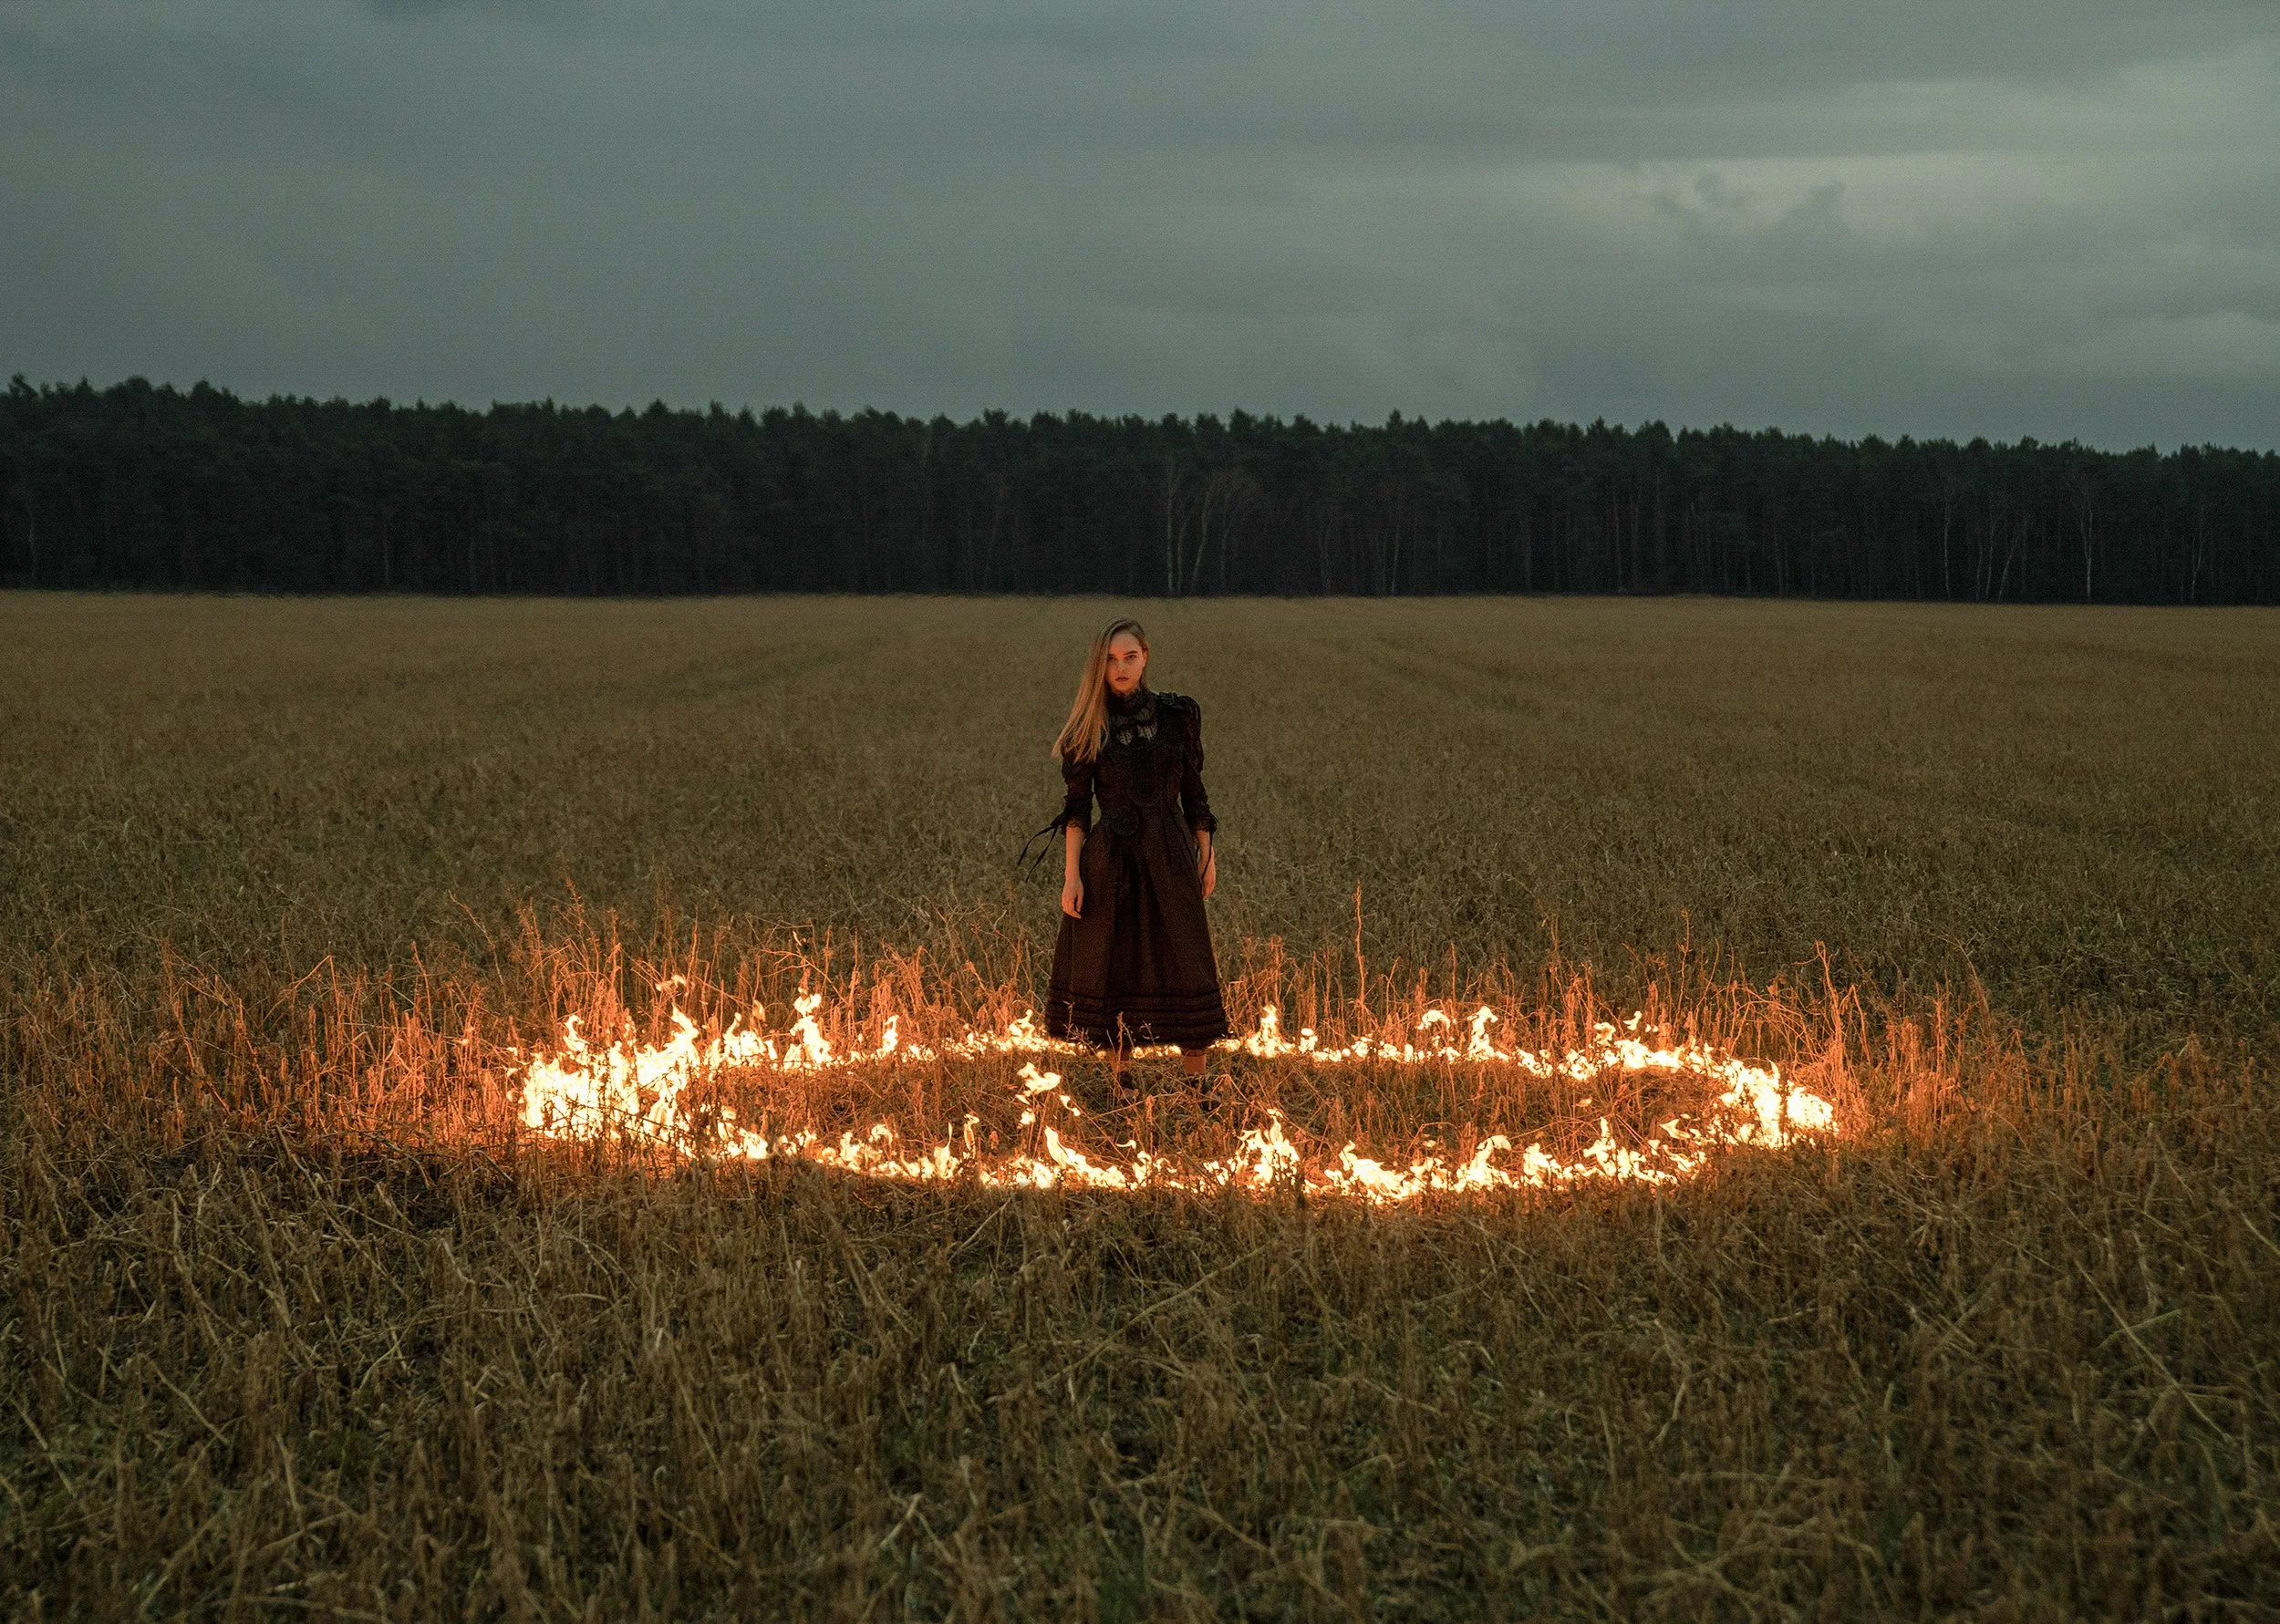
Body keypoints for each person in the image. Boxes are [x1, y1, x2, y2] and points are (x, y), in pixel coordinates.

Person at [1019, 617, 1229, 1091]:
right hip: (1110, 858)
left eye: (1129, 657)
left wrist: (1207, 853)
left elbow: (1196, 793)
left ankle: (1196, 1083)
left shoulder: (1178, 716)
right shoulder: (1089, 727)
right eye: (1111, 659)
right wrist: (1071, 876)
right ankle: (1124, 1079)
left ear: (1146, 657)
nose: (1121, 667)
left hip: (1171, 854)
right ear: (1101, 664)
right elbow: (1076, 810)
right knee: (1117, 958)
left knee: (1185, 955)